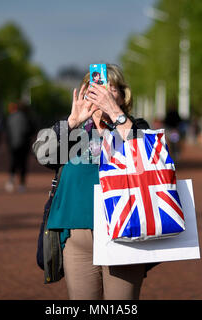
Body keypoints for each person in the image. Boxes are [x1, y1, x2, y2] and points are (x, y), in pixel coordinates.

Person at [33, 64, 152, 300]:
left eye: (111, 89)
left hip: (124, 233)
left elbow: (149, 158)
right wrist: (72, 122)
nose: (103, 93)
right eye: (96, 87)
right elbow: (43, 155)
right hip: (76, 235)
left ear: (122, 95)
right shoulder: (72, 129)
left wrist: (117, 116)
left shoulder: (135, 127)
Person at [5, 101, 35, 193]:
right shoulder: (28, 118)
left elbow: (7, 131)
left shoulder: (11, 117)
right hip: (24, 144)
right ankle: (21, 184)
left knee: (13, 162)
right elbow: (33, 130)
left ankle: (11, 180)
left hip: (13, 144)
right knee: (23, 164)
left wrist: (9, 142)